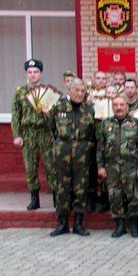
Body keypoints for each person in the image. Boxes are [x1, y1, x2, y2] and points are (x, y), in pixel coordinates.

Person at [49, 78, 96, 236]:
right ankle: (62, 223)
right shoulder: (58, 107)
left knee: (80, 188)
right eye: (77, 90)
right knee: (62, 187)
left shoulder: (89, 110)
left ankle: (78, 223)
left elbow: (92, 132)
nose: (80, 94)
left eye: (83, 91)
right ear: (69, 91)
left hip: (81, 153)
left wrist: (87, 146)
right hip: (62, 152)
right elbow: (52, 128)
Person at [97, 94, 138, 238]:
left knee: (133, 196)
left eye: (121, 105)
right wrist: (101, 166)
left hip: (131, 166)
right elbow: (100, 147)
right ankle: (119, 225)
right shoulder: (106, 124)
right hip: (112, 167)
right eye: (116, 105)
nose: (118, 108)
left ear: (127, 106)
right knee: (115, 196)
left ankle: (134, 225)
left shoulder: (136, 124)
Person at [11, 58, 57, 210]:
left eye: (36, 72)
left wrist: (48, 113)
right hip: (29, 133)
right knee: (30, 168)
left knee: (51, 166)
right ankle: (34, 198)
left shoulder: (48, 92)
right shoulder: (20, 92)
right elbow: (16, 114)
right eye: (30, 72)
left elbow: (56, 116)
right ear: (26, 74)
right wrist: (17, 134)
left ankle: (57, 198)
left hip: (45, 132)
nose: (33, 75)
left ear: (41, 73)